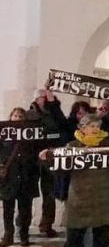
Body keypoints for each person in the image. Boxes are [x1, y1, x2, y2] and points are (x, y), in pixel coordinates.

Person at [39, 114, 109, 247]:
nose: (95, 129)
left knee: (101, 240)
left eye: (98, 126)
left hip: (103, 197)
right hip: (79, 198)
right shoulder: (72, 146)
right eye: (91, 126)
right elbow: (59, 169)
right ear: (82, 128)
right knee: (73, 239)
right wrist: (47, 159)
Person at [27, 88, 67, 238]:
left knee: (49, 192)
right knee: (27, 192)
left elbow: (64, 127)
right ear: (37, 100)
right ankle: (23, 223)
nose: (46, 99)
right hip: (32, 158)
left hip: (50, 157)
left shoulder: (55, 113)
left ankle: (47, 224)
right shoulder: (29, 114)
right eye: (44, 97)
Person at [0, 108, 39, 247]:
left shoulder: (30, 134)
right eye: (14, 115)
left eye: (20, 116)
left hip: (26, 176)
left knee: (25, 210)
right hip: (9, 177)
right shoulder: (3, 133)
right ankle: (8, 236)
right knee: (8, 210)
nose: (17, 118)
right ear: (10, 117)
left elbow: (36, 153)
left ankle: (24, 235)